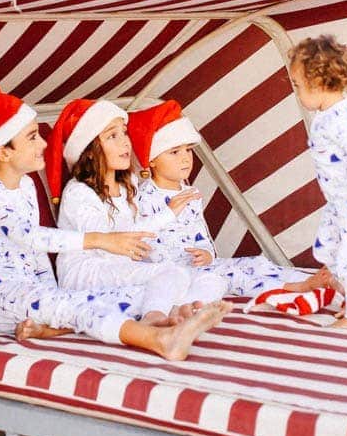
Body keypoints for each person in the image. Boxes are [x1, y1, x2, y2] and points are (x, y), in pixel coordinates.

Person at [0, 84, 222, 360]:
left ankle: (52, 329)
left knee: (93, 301)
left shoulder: (25, 186)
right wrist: (99, 240)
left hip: (32, 292)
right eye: (33, 137)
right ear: (3, 152)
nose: (44, 144)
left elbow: (36, 258)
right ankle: (157, 337)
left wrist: (52, 289)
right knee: (76, 305)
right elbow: (30, 237)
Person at [127, 101, 336, 304]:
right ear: (151, 160)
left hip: (201, 265)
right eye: (174, 152)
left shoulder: (190, 193)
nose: (185, 158)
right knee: (232, 276)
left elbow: (201, 234)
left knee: (254, 263)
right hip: (175, 272)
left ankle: (314, 279)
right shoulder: (143, 197)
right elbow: (140, 242)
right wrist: (175, 264)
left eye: (188, 150)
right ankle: (294, 288)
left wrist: (207, 253)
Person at [52, 99, 230, 308]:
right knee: (170, 274)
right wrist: (168, 213)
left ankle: (182, 309)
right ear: (89, 150)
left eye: (125, 132)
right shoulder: (79, 192)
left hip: (124, 270)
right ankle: (158, 315)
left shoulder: (129, 185)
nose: (125, 142)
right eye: (112, 136)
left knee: (213, 279)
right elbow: (109, 244)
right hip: (89, 273)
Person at [288, 36, 347, 329]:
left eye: (297, 86)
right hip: (338, 205)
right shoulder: (325, 116)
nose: (296, 93)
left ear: (318, 84)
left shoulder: (342, 121)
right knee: (328, 250)